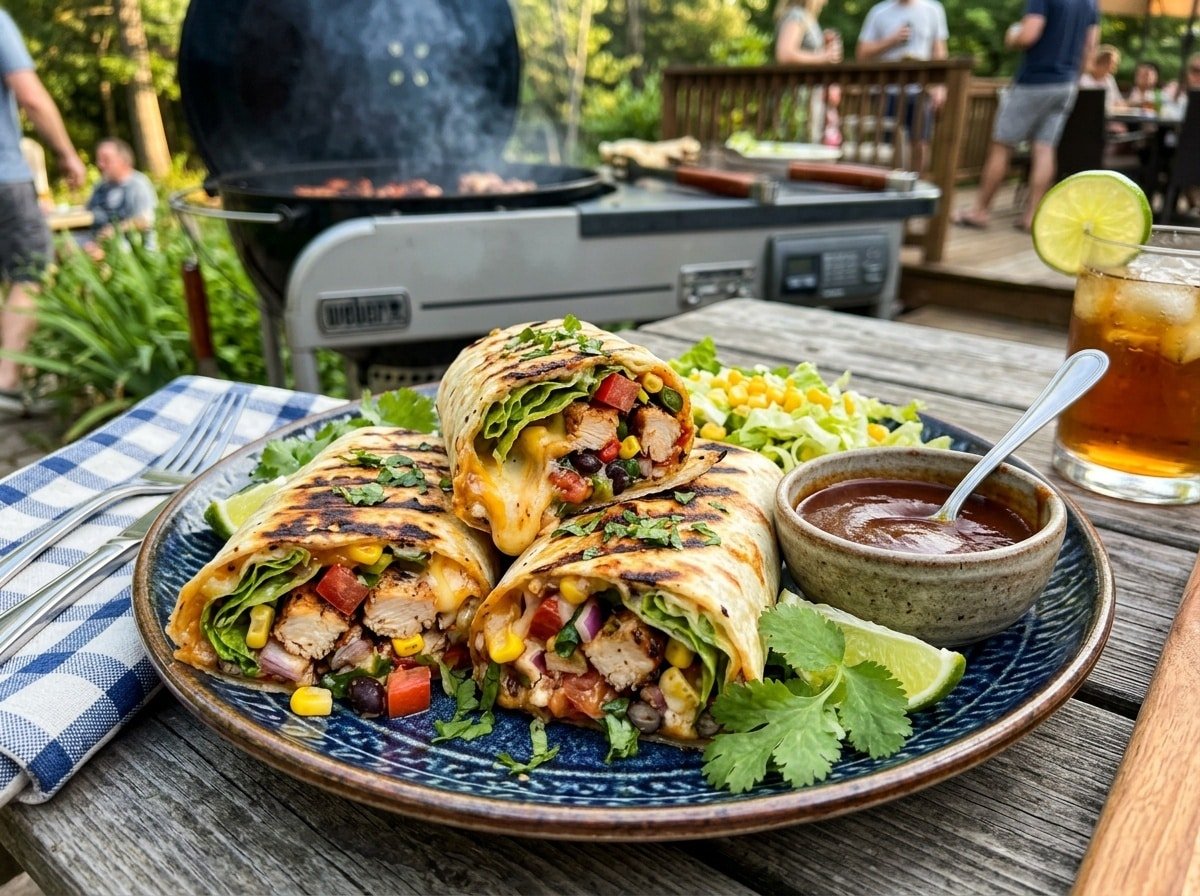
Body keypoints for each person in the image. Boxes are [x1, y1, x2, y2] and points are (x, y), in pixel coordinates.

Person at [0, 9, 85, 414]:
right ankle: (7, 382)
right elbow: (30, 95)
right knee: (30, 270)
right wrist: (67, 155)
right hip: (4, 178)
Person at [953, 0, 1098, 232]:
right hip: (1067, 84)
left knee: (1002, 144)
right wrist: (1073, 78)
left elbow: (1029, 35)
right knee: (1045, 148)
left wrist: (1012, 35)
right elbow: (1090, 46)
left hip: (1035, 82)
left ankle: (979, 211)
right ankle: (1032, 216)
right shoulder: (1090, 3)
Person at [855, 0, 949, 174]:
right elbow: (861, 53)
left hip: (921, 91)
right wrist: (891, 41)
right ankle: (889, 189)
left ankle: (915, 188)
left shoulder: (933, 10)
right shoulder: (879, 12)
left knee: (920, 143)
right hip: (886, 92)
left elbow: (939, 53)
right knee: (888, 147)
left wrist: (940, 87)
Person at [774, 0, 844, 145]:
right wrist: (824, 56)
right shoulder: (796, 15)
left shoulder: (806, 17)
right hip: (798, 98)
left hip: (810, 96)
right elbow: (785, 54)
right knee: (797, 143)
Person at [83, 137, 157, 256]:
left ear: (123, 160)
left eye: (106, 160)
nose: (100, 164)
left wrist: (113, 230)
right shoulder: (100, 186)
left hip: (131, 249)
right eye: (99, 160)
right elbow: (87, 213)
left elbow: (145, 221)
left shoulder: (138, 184)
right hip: (99, 243)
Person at [1079, 44, 1127, 113]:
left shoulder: (1109, 80)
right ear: (1101, 62)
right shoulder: (1084, 78)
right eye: (1112, 63)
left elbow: (1119, 102)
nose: (1114, 67)